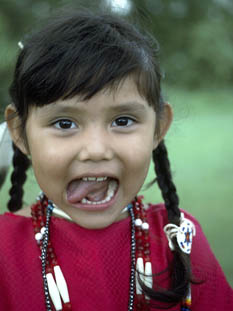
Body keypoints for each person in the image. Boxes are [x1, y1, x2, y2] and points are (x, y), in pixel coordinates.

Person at [0, 8, 232, 311]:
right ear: (20, 133)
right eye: (65, 124)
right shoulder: (4, 251)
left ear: (158, 128)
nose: (96, 150)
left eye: (122, 121)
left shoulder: (181, 241)